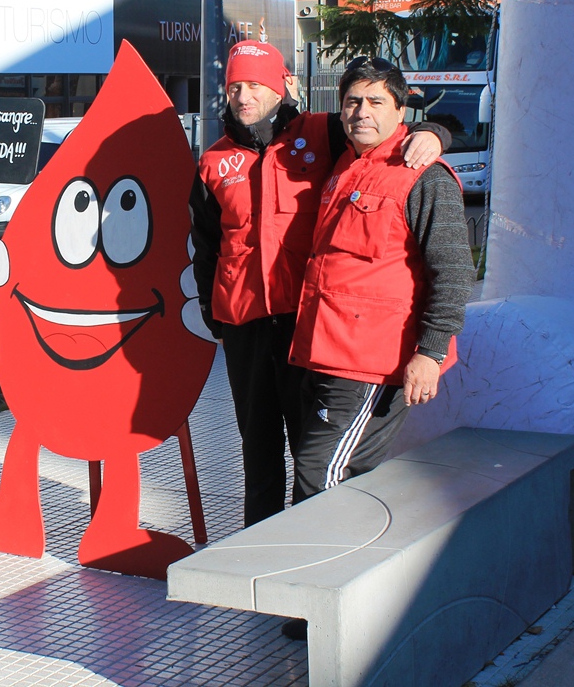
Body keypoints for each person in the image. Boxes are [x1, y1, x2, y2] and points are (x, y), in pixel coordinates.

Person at [189, 41, 450, 528]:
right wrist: (213, 314)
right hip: (245, 323)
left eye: (256, 85)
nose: (244, 96)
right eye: (235, 87)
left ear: (283, 86)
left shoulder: (324, 132)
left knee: (311, 444)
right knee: (258, 446)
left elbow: (387, 133)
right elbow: (206, 245)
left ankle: (307, 541)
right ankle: (258, 548)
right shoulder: (213, 160)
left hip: (307, 324)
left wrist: (436, 133)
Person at [280, 57, 473, 640]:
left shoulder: (423, 176)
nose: (361, 112)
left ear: (401, 110)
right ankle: (356, 596)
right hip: (331, 349)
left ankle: (317, 603)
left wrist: (430, 352)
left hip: (375, 360)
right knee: (352, 474)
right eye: (352, 102)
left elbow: (453, 272)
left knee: (321, 474)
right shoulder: (349, 163)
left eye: (375, 102)